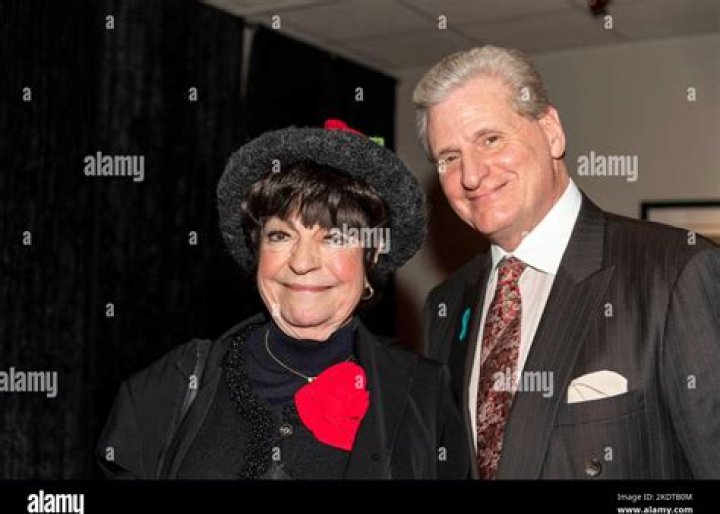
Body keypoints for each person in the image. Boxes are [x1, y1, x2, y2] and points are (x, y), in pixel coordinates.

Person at [96, 119, 469, 479]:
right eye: (281, 235)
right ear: (257, 251)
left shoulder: (423, 397)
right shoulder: (169, 385)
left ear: (370, 258)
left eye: (334, 237)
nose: (302, 263)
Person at [414, 46, 720, 479]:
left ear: (552, 132)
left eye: (490, 139)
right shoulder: (445, 304)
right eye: (449, 157)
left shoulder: (674, 274)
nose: (471, 175)